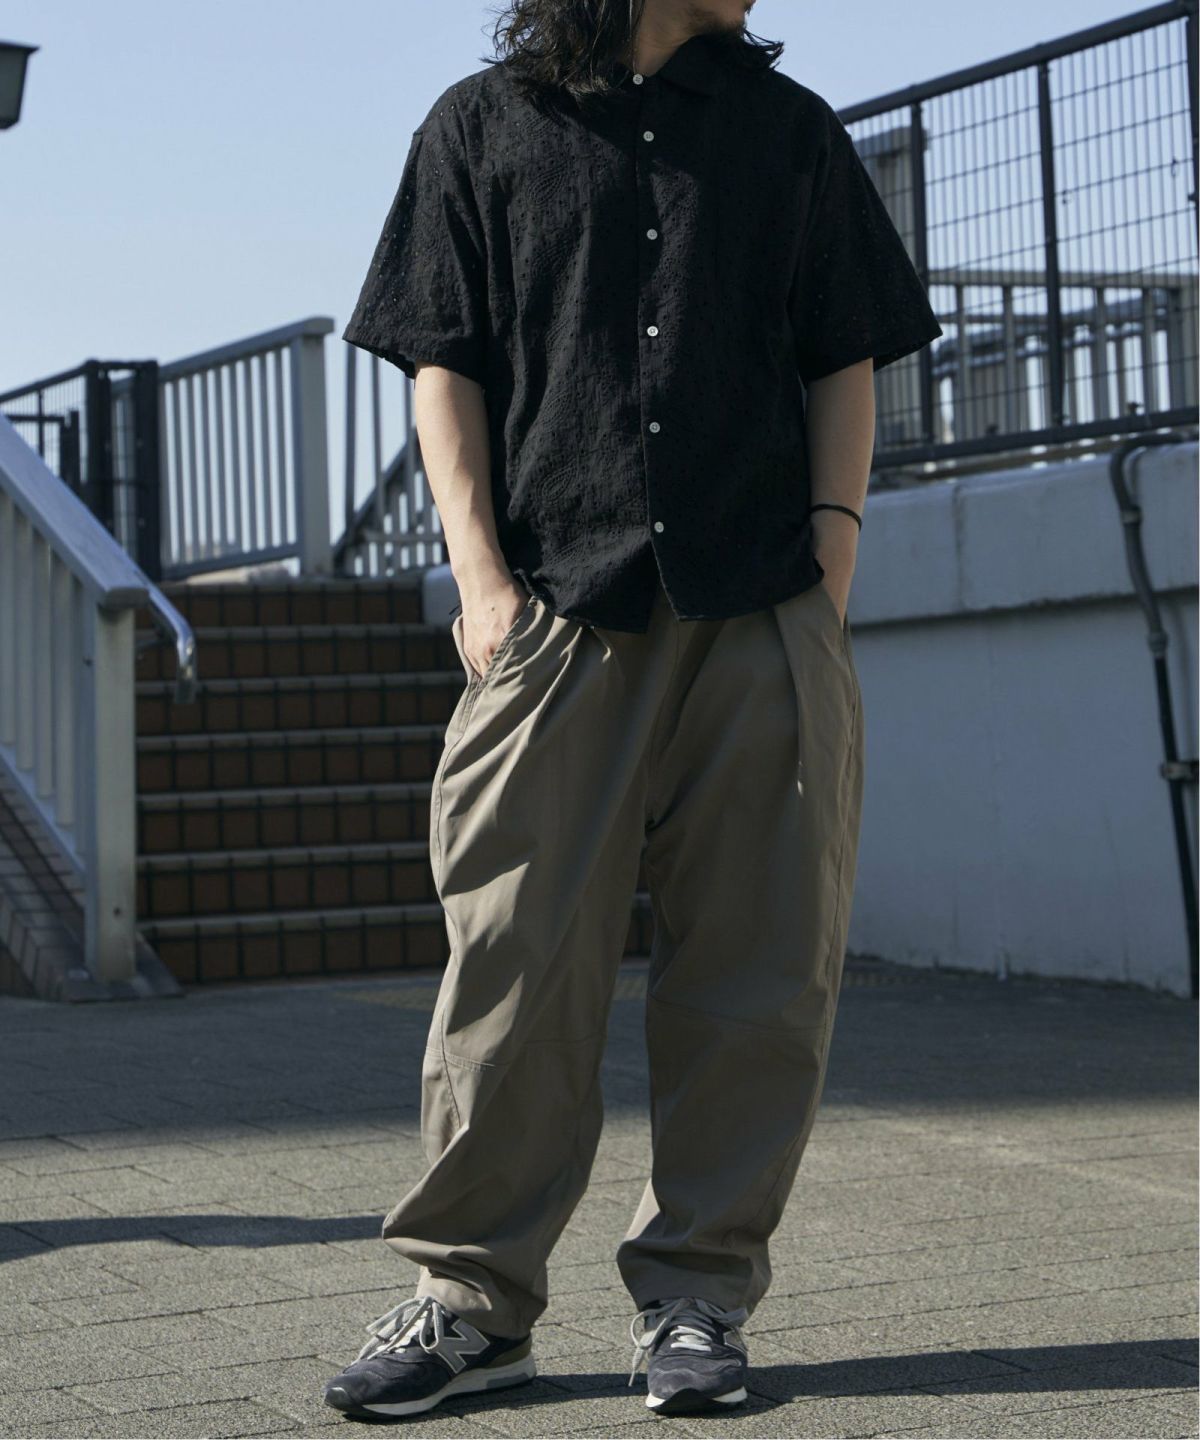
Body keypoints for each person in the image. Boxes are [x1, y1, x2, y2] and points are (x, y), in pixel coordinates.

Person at [325, 0, 942, 1421]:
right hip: (555, 613)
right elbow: (443, 362)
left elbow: (842, 351)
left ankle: (699, 1297)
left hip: (762, 610)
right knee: (511, 969)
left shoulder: (789, 133)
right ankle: (472, 1303)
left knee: (758, 974)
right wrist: (481, 584)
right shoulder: (483, 127)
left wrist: (833, 560)